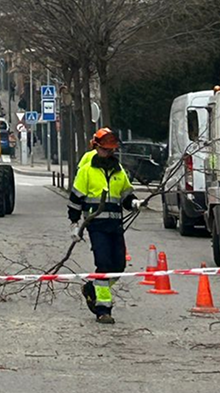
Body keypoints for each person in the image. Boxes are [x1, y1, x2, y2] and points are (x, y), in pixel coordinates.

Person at [68, 127, 140, 324]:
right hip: (96, 226)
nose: (108, 153)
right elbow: (75, 199)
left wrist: (133, 203)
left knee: (119, 266)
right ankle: (103, 309)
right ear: (96, 147)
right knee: (104, 265)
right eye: (105, 150)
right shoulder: (87, 171)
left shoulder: (118, 171)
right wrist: (74, 224)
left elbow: (126, 194)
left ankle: (92, 288)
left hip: (115, 225)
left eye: (111, 150)